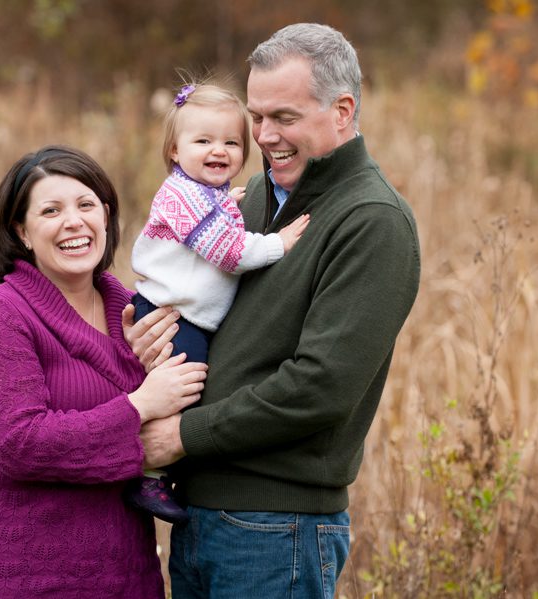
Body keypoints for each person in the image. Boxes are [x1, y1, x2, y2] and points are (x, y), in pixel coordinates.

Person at [126, 23, 421, 597]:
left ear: (342, 110)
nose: (263, 137)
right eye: (256, 118)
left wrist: (183, 435)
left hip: (277, 527)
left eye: (284, 117)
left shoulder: (372, 221)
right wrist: (150, 336)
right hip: (198, 516)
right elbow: (205, 308)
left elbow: (319, 386)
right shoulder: (252, 195)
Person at [0, 145, 208, 598]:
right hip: (13, 574)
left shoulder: (141, 314)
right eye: (51, 210)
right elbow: (18, 442)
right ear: (21, 230)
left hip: (123, 575)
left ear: (105, 215)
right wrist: (139, 406)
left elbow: (178, 422)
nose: (73, 222)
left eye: (85, 205)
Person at [125, 82, 309, 523]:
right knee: (181, 392)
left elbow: (212, 218)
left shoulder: (204, 193)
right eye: (203, 141)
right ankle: (149, 474)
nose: (219, 150)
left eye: (231, 142)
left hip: (186, 311)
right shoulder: (184, 195)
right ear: (174, 150)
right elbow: (228, 251)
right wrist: (277, 245)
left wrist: (226, 203)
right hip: (174, 315)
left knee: (189, 387)